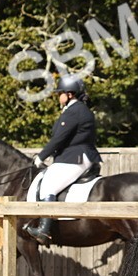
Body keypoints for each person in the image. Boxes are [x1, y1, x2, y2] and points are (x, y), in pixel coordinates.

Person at [24, 74, 101, 246]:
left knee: (48, 186)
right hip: (78, 156)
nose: (58, 96)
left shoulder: (75, 111)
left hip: (75, 158)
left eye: (60, 93)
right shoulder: (79, 110)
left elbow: (59, 139)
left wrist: (41, 157)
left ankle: (43, 230)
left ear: (69, 94)